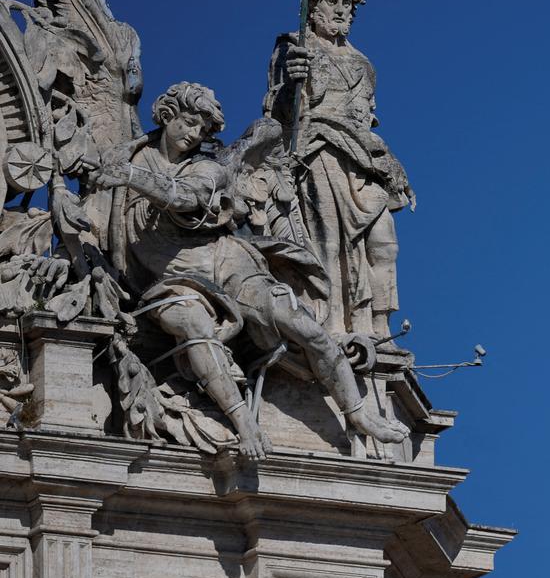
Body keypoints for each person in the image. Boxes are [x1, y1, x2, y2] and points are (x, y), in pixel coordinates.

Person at [93, 82, 409, 460]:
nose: (194, 134)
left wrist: (129, 176)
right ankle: (244, 424)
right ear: (166, 115)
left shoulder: (207, 167)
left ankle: (359, 415)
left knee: (301, 324)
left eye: (203, 130)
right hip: (171, 280)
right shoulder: (130, 156)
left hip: (227, 263)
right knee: (195, 328)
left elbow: (185, 197)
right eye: (189, 122)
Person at [265, 0, 413, 337]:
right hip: (320, 153)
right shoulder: (294, 46)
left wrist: (391, 166)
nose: (341, 10)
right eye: (332, 1)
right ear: (312, 6)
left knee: (384, 243)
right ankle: (330, 326)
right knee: (326, 245)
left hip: (364, 161)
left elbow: (365, 120)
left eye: (347, 4)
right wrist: (293, 83)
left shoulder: (365, 64)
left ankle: (380, 329)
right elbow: (281, 113)